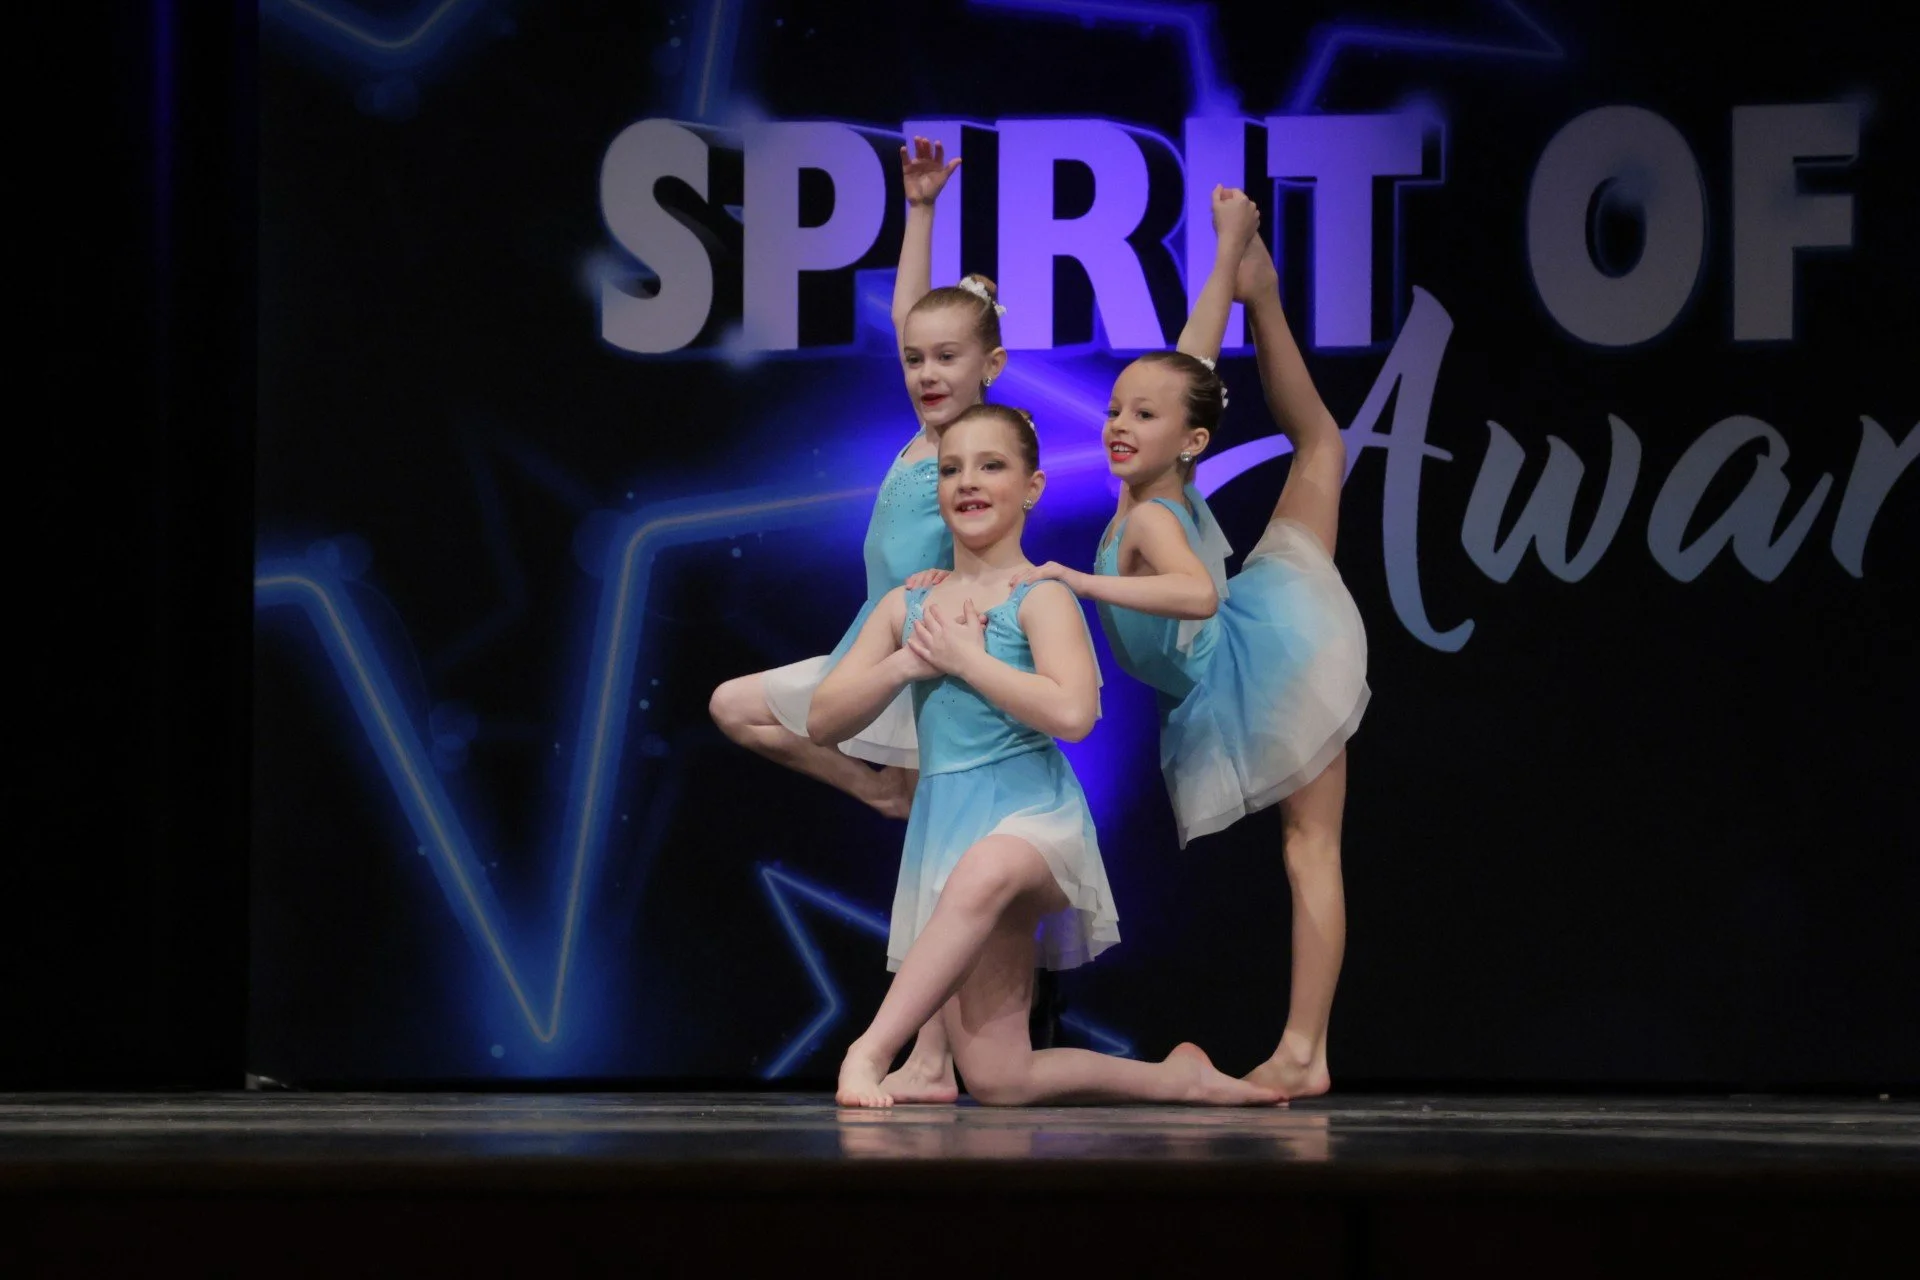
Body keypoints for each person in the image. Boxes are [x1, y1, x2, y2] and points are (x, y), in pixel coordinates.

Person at [812, 403, 1280, 1108]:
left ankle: (869, 1051)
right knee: (1000, 1079)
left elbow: (1074, 714)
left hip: (1032, 818)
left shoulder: (1042, 595)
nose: (968, 482)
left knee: (987, 868)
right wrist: (907, 663)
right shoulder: (909, 608)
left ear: (1031, 486)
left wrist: (968, 660)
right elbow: (823, 720)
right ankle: (1175, 1078)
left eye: (991, 466)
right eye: (951, 469)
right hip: (948, 826)